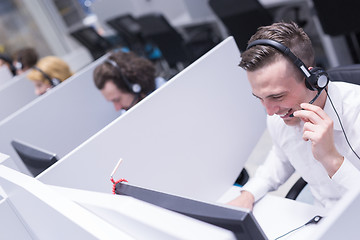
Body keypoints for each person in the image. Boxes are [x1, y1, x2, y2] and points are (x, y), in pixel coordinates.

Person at [227, 21, 360, 210]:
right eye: (260, 98)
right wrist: (249, 193)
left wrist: (331, 159)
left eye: (277, 96)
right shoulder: (279, 115)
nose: (270, 111)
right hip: (323, 218)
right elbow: (281, 157)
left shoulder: (355, 111)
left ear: (312, 80)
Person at [93, 51, 166, 112]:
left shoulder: (166, 94)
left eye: (117, 100)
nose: (117, 108)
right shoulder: (127, 111)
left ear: (134, 87)